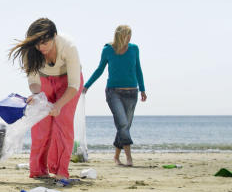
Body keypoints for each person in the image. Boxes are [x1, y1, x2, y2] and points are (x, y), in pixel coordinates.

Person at [9, 18, 82, 183]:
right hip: (44, 81)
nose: (41, 47)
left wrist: (58, 105)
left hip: (68, 84)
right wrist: (36, 96)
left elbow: (74, 85)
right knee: (41, 124)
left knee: (63, 123)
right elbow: (33, 81)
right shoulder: (31, 50)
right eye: (37, 43)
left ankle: (61, 170)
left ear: (54, 36)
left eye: (45, 43)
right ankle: (38, 170)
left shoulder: (68, 46)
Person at [83, 24, 147, 166]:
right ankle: (129, 158)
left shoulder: (134, 49)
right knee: (123, 124)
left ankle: (116, 157)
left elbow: (138, 69)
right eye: (127, 35)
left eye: (131, 34)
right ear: (120, 35)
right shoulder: (108, 50)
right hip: (114, 92)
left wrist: (142, 89)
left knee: (123, 127)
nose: (130, 37)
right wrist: (87, 85)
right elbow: (100, 69)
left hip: (132, 92)